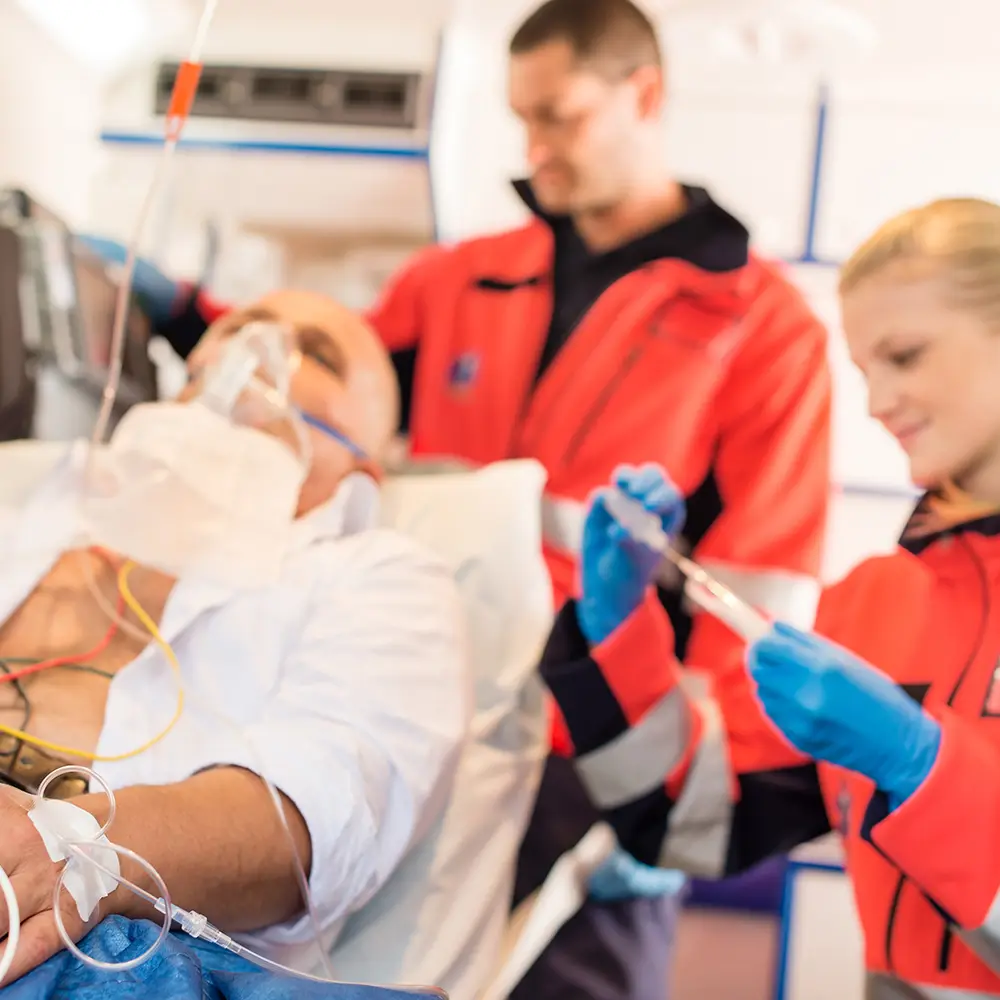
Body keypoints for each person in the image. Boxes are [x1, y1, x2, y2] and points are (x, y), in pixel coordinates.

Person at [81, 0, 832, 994]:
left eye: (558, 116)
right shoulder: (461, 280)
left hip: (596, 752)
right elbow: (328, 377)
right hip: (418, 687)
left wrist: (677, 802)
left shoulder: (762, 331)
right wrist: (186, 311)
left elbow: (757, 603)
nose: (534, 149)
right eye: (521, 119)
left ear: (643, 95)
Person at [538, 196, 1000, 999]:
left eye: (906, 355)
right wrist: (617, 631)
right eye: (865, 371)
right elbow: (693, 818)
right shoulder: (873, 606)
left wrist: (927, 771)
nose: (876, 403)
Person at [0, 289, 468, 985]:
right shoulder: (35, 507)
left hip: (89, 944)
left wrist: (76, 850)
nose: (254, 349)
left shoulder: (378, 577)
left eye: (317, 356)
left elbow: (315, 810)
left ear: (362, 469)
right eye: (239, 328)